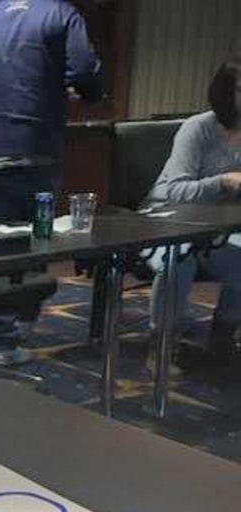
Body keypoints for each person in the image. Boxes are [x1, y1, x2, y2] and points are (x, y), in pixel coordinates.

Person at [0, 0, 102, 361]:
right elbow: (84, 74)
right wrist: (86, 95)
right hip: (37, 148)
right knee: (34, 242)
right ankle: (11, 335)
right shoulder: (61, 14)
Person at [144, 58, 241, 373]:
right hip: (165, 219)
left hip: (218, 227)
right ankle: (160, 343)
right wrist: (223, 182)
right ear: (226, 93)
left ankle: (223, 335)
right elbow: (174, 191)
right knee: (178, 257)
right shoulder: (198, 128)